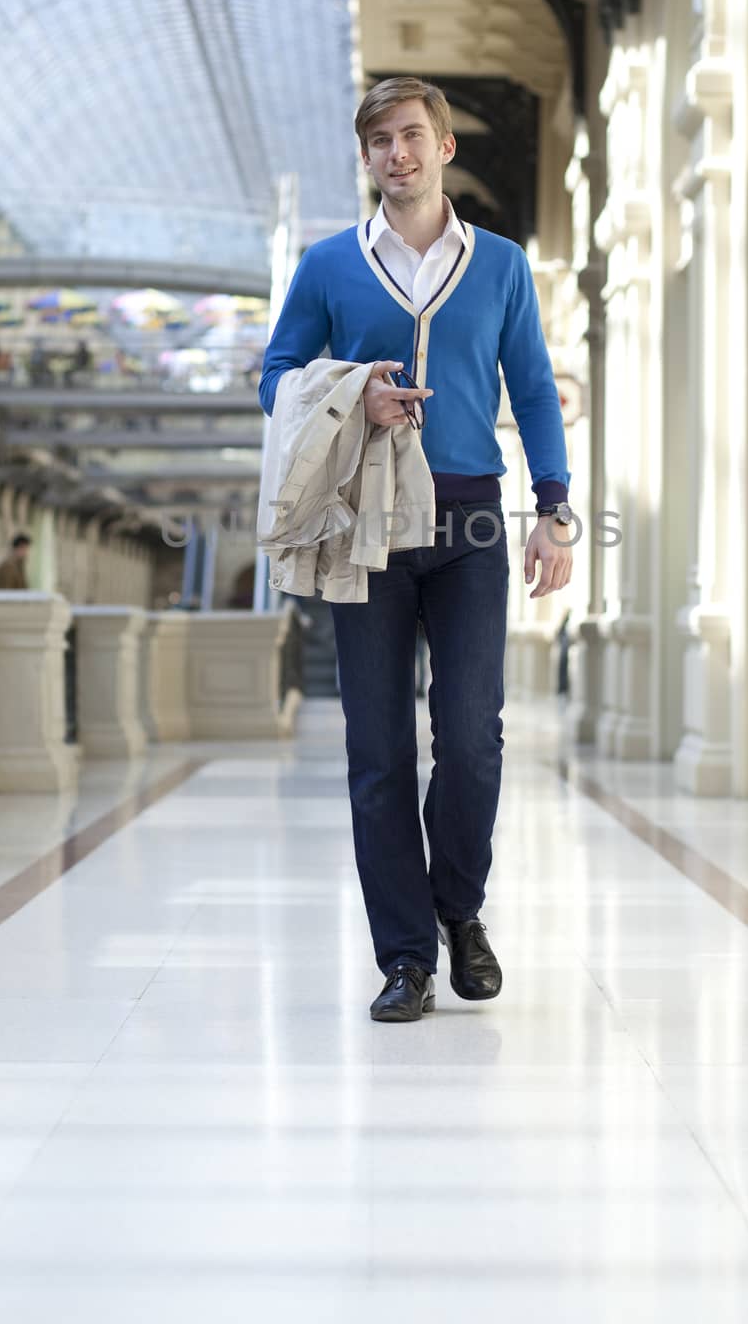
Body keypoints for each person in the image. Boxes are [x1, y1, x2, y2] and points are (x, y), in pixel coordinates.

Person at [259, 76, 573, 1023]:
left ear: (443, 148)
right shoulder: (327, 267)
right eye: (378, 141)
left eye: (411, 136)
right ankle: (404, 957)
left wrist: (554, 509)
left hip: (473, 521)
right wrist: (356, 395)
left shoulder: (503, 265)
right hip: (366, 524)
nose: (394, 153)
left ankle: (458, 911)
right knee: (379, 750)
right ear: (364, 159)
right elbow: (274, 376)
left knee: (472, 736)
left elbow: (536, 388)